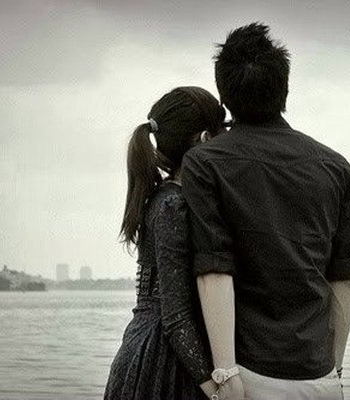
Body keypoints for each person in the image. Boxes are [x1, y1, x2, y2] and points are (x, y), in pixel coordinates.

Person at [181, 23, 350, 400]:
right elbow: (342, 281)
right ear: (285, 90)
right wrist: (335, 369)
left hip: (249, 373)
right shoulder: (337, 168)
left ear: (223, 96)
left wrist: (226, 373)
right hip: (320, 377)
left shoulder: (204, 163)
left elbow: (215, 270)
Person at [104, 86, 226, 400]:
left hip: (146, 350)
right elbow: (176, 317)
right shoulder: (174, 205)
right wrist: (216, 390)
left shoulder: (163, 197)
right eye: (222, 131)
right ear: (204, 139)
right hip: (163, 363)